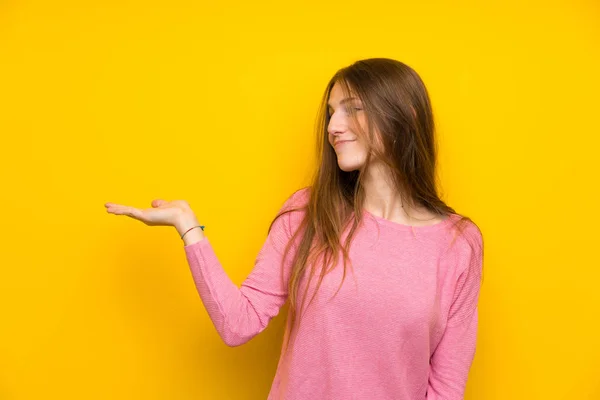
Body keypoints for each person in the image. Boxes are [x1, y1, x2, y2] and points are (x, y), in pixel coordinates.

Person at [105, 57, 484, 400]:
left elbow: (446, 388)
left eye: (352, 109)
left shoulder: (458, 244)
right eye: (332, 113)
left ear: (405, 116)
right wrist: (189, 228)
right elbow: (238, 324)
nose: (333, 126)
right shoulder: (308, 213)